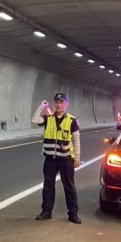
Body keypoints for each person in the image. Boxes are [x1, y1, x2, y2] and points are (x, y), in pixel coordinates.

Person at [32, 92, 82, 224]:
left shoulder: (72, 120)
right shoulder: (48, 118)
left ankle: (73, 213)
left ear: (67, 104)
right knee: (48, 185)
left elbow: (76, 140)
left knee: (69, 187)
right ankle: (46, 211)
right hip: (50, 159)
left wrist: (77, 158)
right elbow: (35, 120)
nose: (59, 105)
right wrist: (40, 107)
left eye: (61, 102)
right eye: (57, 102)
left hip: (66, 159)